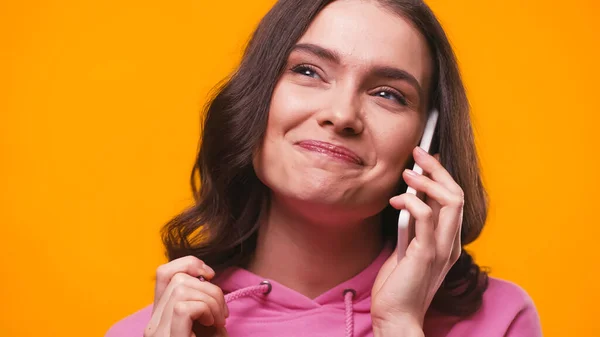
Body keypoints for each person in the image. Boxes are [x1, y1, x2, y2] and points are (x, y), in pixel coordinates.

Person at [106, 0, 542, 336]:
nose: (342, 114)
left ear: (425, 141)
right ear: (257, 99)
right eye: (309, 71)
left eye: (388, 94)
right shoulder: (152, 330)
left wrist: (400, 323)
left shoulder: (499, 320)